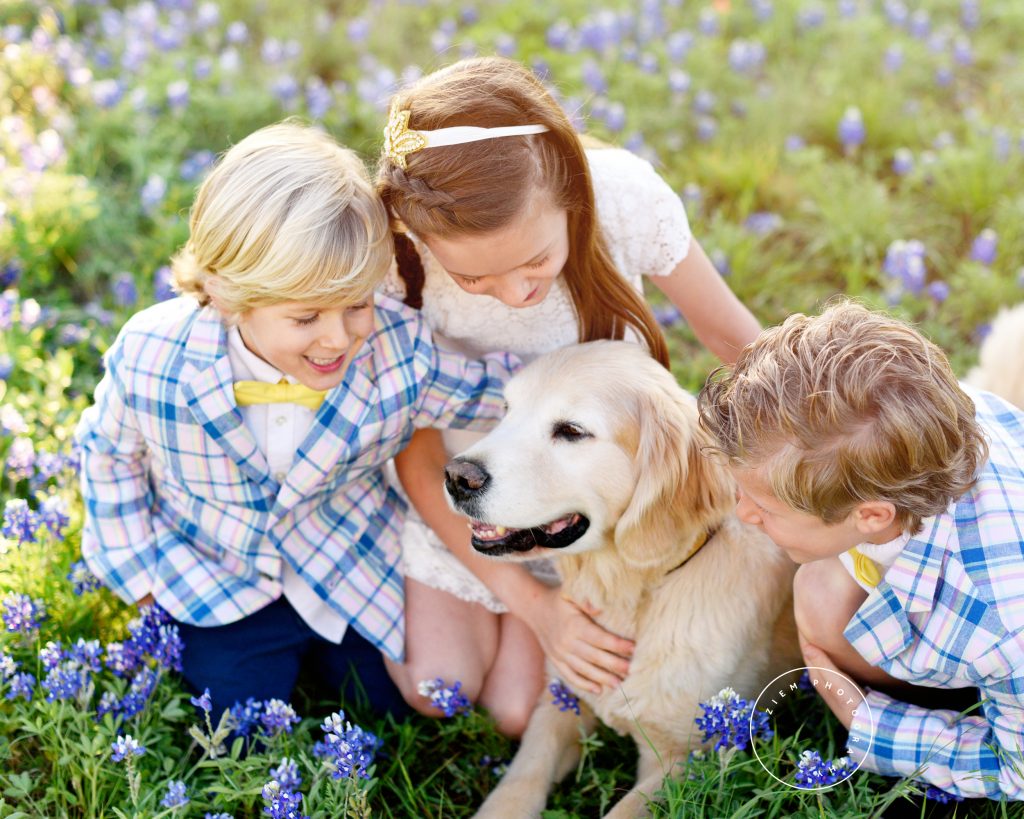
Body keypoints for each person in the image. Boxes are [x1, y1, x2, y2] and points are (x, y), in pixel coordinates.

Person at [75, 122, 518, 721]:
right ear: (229, 294)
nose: (339, 337)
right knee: (240, 728)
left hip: (347, 561)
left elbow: (497, 393)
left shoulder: (397, 351)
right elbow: (107, 454)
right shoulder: (153, 355)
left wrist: (593, 383)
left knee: (389, 711)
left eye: (357, 303)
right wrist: (141, 577)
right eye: (306, 317)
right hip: (216, 576)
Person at [375, 56, 761, 735]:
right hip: (459, 493)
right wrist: (531, 604)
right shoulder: (397, 260)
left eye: (534, 262)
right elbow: (414, 449)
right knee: (441, 689)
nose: (517, 292)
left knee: (519, 711)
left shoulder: (619, 199)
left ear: (570, 192)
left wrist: (812, 464)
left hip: (589, 505)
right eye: (474, 275)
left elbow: (739, 340)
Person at [696, 300, 1024, 800]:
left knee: (822, 601)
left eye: (766, 506)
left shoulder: (997, 623)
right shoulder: (920, 424)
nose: (742, 513)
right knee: (821, 591)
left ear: (871, 517)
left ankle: (942, 692)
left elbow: (1017, 770)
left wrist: (869, 720)